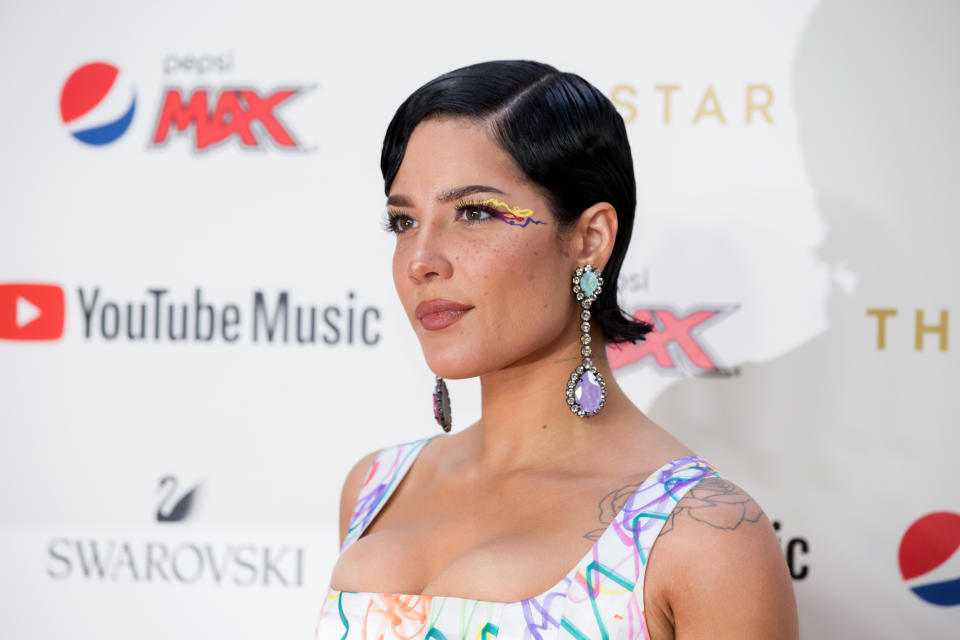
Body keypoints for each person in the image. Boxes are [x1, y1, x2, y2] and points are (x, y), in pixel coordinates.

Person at [315, 60, 798, 639]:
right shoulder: (376, 485)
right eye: (403, 221)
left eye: (473, 213)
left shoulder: (703, 533)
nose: (422, 260)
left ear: (589, 239)